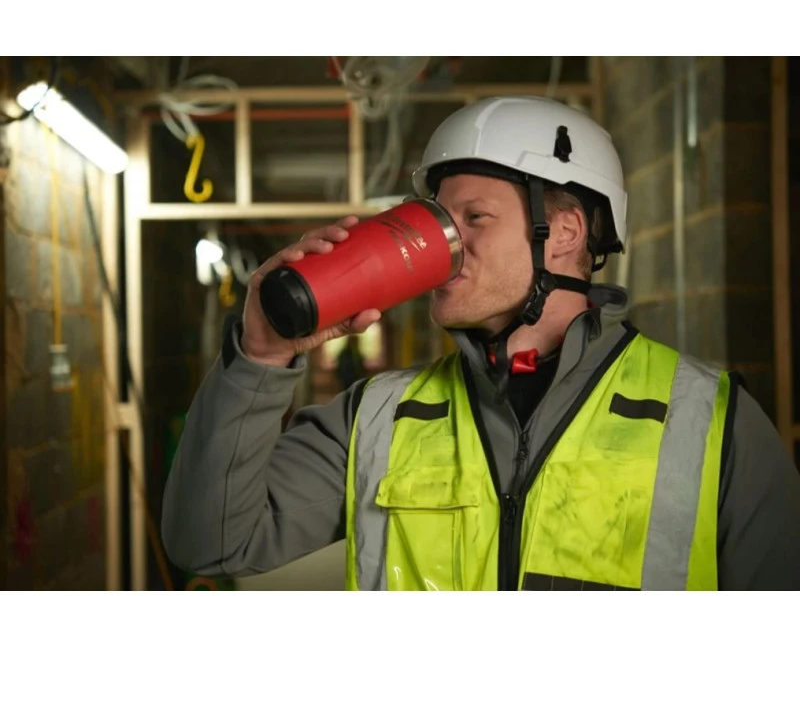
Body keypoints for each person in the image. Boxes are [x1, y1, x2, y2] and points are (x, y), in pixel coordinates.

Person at [162, 96, 800, 590]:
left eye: (475, 218)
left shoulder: (711, 422)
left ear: (565, 233)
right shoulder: (377, 418)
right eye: (439, 218)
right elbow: (210, 542)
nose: (445, 243)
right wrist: (262, 353)